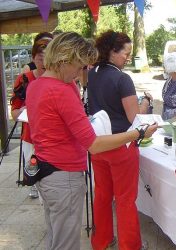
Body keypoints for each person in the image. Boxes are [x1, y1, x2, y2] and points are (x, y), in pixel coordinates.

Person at [25, 32, 157, 250]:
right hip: (68, 171)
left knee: (60, 231)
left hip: (46, 170)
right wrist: (139, 133)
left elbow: (57, 125)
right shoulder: (64, 90)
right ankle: (129, 245)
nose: (79, 74)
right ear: (65, 59)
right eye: (78, 66)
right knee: (68, 240)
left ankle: (102, 240)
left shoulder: (36, 85)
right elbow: (95, 141)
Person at [87, 30, 152, 250]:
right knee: (125, 199)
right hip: (121, 145)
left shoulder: (93, 72)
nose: (128, 57)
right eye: (126, 52)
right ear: (112, 51)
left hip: (99, 143)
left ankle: (101, 240)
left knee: (103, 195)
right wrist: (146, 102)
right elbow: (135, 117)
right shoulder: (122, 78)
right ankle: (130, 245)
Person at [10, 38, 51, 198]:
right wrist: (25, 110)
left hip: (51, 137)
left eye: (47, 58)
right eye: (40, 58)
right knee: (33, 170)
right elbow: (14, 113)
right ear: (33, 58)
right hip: (30, 135)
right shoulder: (24, 79)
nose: (43, 62)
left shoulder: (59, 78)